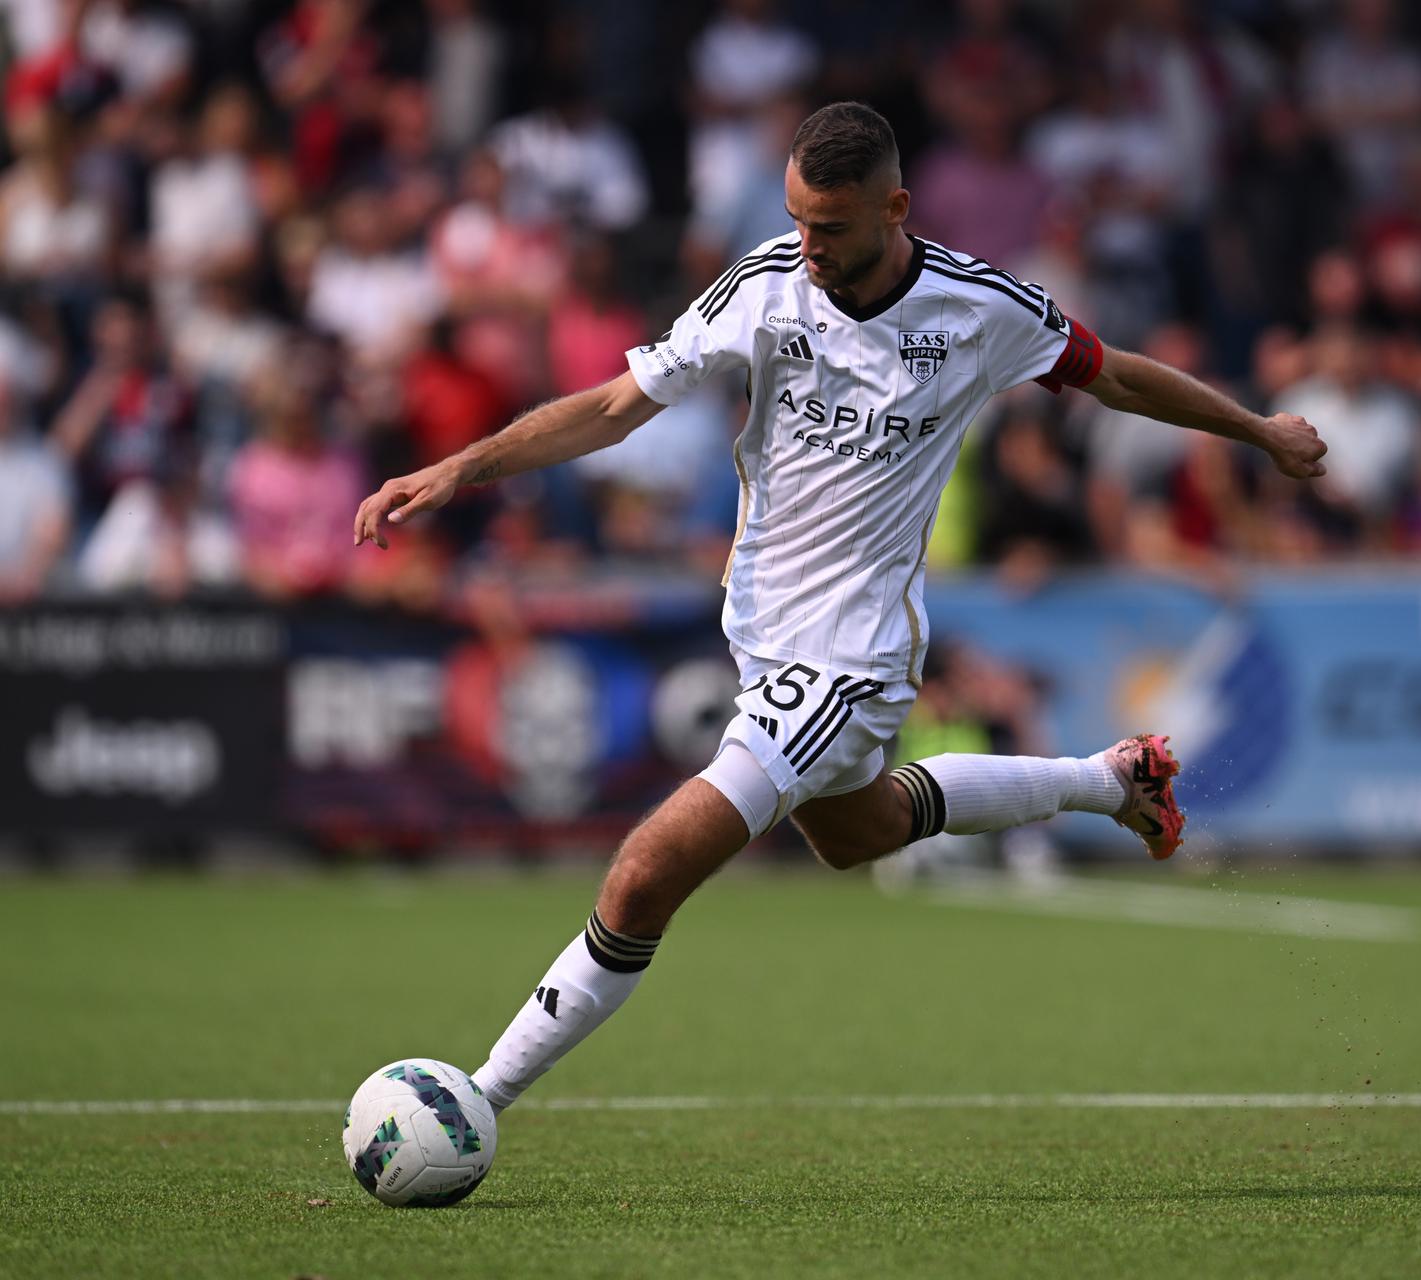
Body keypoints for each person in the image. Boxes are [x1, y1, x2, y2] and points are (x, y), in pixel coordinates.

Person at [352, 103, 1328, 1114]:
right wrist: (460, 469)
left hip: (849, 660)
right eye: (796, 221)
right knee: (853, 832)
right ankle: (1111, 779)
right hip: (762, 636)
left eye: (830, 228)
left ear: (894, 207)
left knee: (645, 871)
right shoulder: (766, 282)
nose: (806, 248)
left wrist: (1257, 429)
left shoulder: (978, 307)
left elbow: (1115, 374)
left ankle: (473, 1102)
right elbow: (612, 405)